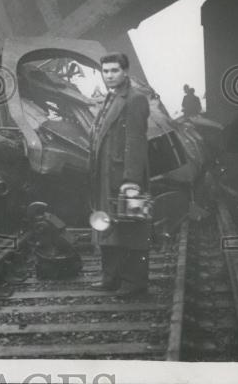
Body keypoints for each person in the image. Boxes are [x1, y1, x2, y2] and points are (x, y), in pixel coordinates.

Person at [88, 52, 150, 296]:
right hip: (104, 174)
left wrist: (131, 181)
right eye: (106, 71)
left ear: (125, 72)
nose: (110, 76)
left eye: (114, 71)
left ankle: (134, 282)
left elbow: (136, 141)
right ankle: (111, 277)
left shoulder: (135, 99)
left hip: (124, 176)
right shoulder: (110, 98)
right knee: (107, 224)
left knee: (131, 226)